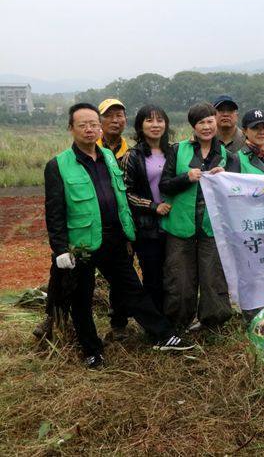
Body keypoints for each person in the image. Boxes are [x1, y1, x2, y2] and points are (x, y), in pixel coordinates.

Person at [44, 103, 193, 368]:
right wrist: (60, 250)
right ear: (71, 129)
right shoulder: (58, 165)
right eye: (83, 125)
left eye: (93, 124)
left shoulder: (109, 158)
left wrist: (128, 234)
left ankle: (163, 335)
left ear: (99, 127)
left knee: (133, 290)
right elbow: (54, 212)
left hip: (113, 237)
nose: (89, 129)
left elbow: (121, 198)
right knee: (82, 298)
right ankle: (92, 350)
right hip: (82, 244)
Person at [159, 102, 239, 332]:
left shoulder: (228, 156)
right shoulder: (178, 150)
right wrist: (186, 177)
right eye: (200, 122)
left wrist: (225, 178)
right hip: (181, 225)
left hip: (213, 226)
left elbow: (236, 192)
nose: (206, 127)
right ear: (193, 126)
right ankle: (178, 322)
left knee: (213, 276)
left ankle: (212, 323)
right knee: (179, 277)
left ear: (216, 121)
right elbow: (165, 185)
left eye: (209, 121)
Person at [122, 105, 172, 311]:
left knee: (173, 274)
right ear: (140, 126)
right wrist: (152, 206)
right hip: (147, 228)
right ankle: (157, 325)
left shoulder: (175, 151)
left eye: (160, 120)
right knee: (152, 276)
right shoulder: (132, 156)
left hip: (174, 224)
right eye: (149, 120)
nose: (155, 125)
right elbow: (126, 193)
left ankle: (173, 317)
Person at [98, 97, 132, 338]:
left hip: (126, 223)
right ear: (99, 120)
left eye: (119, 115)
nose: (115, 120)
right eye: (109, 115)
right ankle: (55, 318)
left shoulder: (130, 152)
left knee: (123, 272)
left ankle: (118, 322)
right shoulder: (91, 149)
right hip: (97, 223)